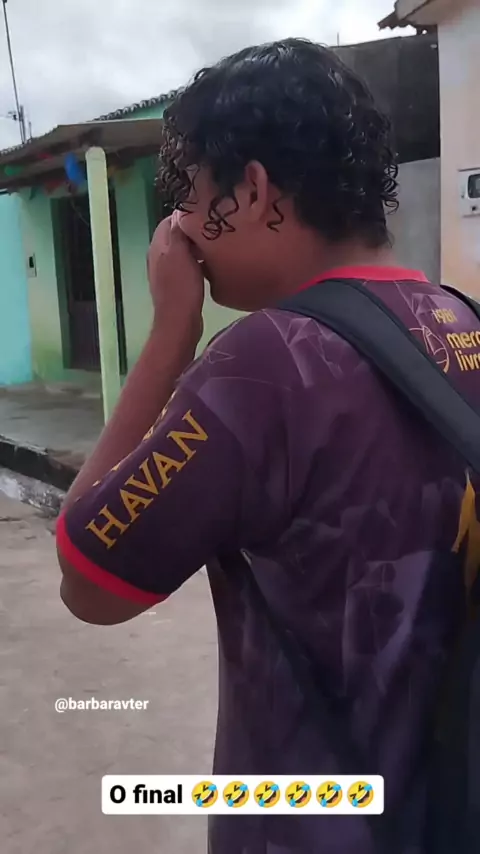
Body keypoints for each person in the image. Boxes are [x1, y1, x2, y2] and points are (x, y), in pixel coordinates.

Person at [56, 38, 480, 853]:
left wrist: (170, 337)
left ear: (251, 190)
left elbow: (89, 581)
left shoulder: (264, 365)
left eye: (187, 195)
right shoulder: (462, 320)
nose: (179, 227)